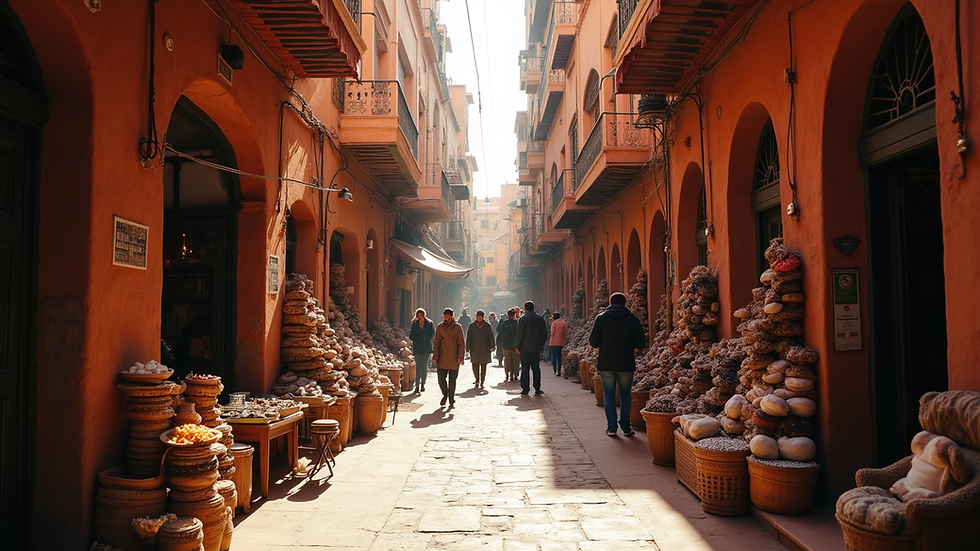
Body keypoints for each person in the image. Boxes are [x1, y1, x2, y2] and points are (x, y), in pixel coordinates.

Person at [589, 292, 647, 436]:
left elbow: (594, 342)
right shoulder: (633, 319)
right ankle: (626, 427)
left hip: (606, 362)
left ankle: (612, 427)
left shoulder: (601, 319)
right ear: (625, 303)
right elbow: (640, 343)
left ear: (610, 302)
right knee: (625, 395)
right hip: (626, 362)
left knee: (608, 395)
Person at [513, 300, 548, 395]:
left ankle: (525, 388)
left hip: (524, 349)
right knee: (536, 368)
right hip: (536, 348)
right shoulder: (540, 319)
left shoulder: (522, 319)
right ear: (533, 307)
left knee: (525, 369)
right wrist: (541, 344)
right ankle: (537, 388)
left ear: (525, 308)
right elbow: (544, 334)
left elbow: (519, 334)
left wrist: (516, 346)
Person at [432, 307, 465, 408]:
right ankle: (445, 393)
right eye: (444, 315)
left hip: (454, 358)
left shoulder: (457, 328)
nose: (446, 317)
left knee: (452, 380)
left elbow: (461, 344)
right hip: (442, 358)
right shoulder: (440, 327)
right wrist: (435, 357)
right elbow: (436, 343)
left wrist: (461, 357)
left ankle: (451, 398)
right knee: (441, 379)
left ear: (451, 316)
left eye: (448, 315)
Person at [466, 310, 496, 388]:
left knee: (484, 365)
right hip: (474, 348)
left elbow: (491, 336)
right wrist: (467, 348)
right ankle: (477, 379)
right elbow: (469, 337)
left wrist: (492, 346)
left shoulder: (487, 326)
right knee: (474, 364)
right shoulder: (472, 326)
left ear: (483, 317)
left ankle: (482, 380)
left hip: (484, 348)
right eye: (477, 317)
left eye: (480, 317)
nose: (478, 318)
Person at [408, 308, 434, 393]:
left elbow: (432, 334)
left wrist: (426, 338)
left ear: (424, 315)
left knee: (424, 366)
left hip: (426, 348)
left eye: (421, 315)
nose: (420, 317)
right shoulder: (415, 324)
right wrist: (418, 339)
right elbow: (411, 336)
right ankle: (417, 386)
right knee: (418, 367)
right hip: (418, 347)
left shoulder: (429, 323)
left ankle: (423, 384)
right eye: (418, 315)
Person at [496, 308, 520, 382]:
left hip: (506, 344)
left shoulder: (504, 323)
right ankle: (515, 375)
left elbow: (499, 331)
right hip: (516, 345)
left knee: (507, 360)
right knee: (516, 360)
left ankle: (507, 374)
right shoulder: (517, 323)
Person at [549, 311, 568, 376]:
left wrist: (550, 342)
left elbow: (552, 333)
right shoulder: (564, 323)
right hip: (562, 342)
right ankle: (559, 370)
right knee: (560, 357)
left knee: (554, 357)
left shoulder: (554, 323)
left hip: (554, 342)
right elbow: (565, 333)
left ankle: (555, 370)